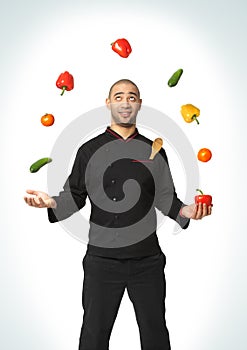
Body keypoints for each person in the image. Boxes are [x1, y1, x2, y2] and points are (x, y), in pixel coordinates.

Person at [24, 79, 212, 350]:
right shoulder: (88, 150)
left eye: (132, 97)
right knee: (94, 336)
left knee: (155, 334)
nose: (125, 102)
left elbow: (165, 198)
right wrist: (51, 203)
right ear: (108, 103)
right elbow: (74, 197)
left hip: (147, 260)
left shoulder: (154, 150)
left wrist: (187, 211)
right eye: (119, 96)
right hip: (102, 261)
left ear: (139, 104)